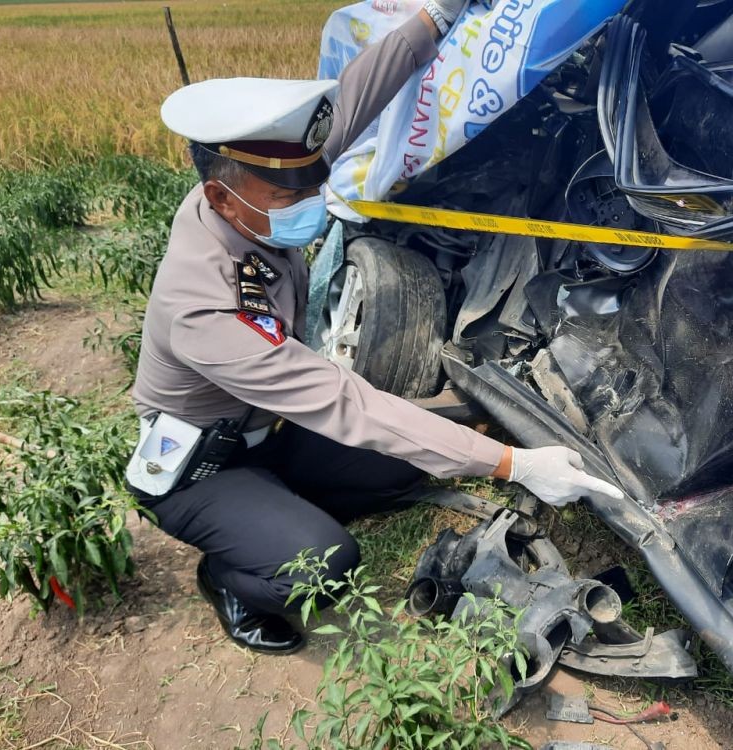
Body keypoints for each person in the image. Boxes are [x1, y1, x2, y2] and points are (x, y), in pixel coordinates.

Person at [127, 0, 624, 655]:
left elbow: (359, 89)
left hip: (271, 431)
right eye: (291, 197)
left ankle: (280, 506)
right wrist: (516, 463)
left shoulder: (260, 182)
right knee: (327, 560)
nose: (311, 201)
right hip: (205, 467)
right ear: (221, 198)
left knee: (399, 467)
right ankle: (228, 576)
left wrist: (435, 17)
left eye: (317, 183)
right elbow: (342, 401)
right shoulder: (203, 308)